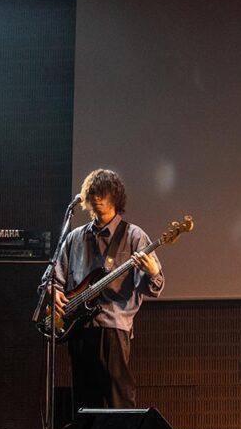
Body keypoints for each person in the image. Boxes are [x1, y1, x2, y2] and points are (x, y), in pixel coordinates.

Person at [44, 169, 164, 412]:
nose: (97, 197)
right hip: (78, 326)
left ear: (115, 197)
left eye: (103, 192)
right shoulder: (75, 237)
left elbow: (154, 287)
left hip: (113, 326)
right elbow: (52, 277)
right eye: (93, 192)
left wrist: (153, 272)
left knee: (118, 398)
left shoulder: (134, 235)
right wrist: (53, 291)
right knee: (84, 401)